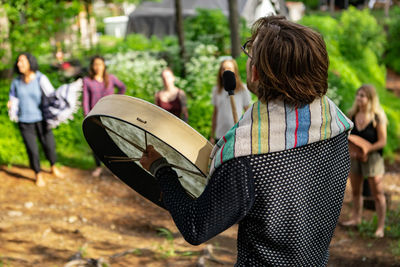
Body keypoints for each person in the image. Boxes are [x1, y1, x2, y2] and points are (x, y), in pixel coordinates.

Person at [140, 16, 354, 266]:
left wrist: (161, 169)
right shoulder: (335, 124)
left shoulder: (247, 157)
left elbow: (196, 226)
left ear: (256, 73)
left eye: (250, 54)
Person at [7, 53, 62, 187]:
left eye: (22, 61)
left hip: (42, 120)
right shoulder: (16, 82)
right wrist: (11, 105)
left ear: (30, 62)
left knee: (49, 146)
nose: (19, 64)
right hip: (24, 121)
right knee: (32, 149)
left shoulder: (40, 78)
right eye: (18, 61)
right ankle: (38, 174)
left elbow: (52, 95)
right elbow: (13, 98)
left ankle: (53, 166)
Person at [341, 84, 387, 238]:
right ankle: (356, 218)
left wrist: (367, 149)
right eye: (358, 95)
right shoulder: (352, 115)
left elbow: (382, 141)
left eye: (363, 95)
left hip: (373, 158)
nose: (359, 98)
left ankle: (380, 226)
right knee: (355, 190)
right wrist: (353, 149)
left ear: (370, 99)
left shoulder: (377, 117)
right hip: (355, 157)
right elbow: (347, 137)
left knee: (378, 192)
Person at [83, 55, 126, 177]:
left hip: (110, 115)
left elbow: (122, 87)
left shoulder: (111, 78)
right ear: (92, 66)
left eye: (100, 64)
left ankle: (115, 168)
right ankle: (98, 167)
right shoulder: (87, 81)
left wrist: (117, 100)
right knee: (96, 142)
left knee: (113, 141)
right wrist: (87, 115)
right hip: (95, 116)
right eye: (95, 64)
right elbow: (86, 99)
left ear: (104, 66)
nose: (98, 67)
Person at [210, 59, 251, 144]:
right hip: (220, 135)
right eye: (223, 69)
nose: (225, 71)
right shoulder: (217, 90)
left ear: (235, 70)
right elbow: (215, 113)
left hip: (236, 134)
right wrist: (212, 135)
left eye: (229, 68)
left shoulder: (243, 89)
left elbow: (248, 112)